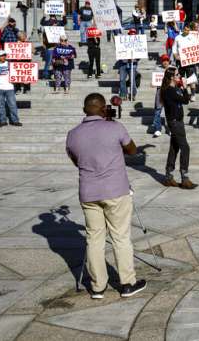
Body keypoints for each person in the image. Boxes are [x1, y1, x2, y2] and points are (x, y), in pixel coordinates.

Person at [65, 93, 147, 299]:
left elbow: (77, 161)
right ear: (103, 108)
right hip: (115, 191)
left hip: (89, 192)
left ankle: (98, 287)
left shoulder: (73, 134)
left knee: (94, 239)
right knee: (120, 237)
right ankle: (128, 283)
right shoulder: (115, 127)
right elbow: (132, 150)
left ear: (85, 110)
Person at [159, 68, 197, 189]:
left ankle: (168, 176)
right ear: (171, 77)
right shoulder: (168, 90)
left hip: (178, 121)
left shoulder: (174, 89)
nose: (179, 75)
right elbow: (185, 100)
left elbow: (186, 100)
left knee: (174, 147)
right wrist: (185, 87)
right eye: (177, 75)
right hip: (174, 122)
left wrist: (183, 88)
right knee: (185, 148)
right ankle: (184, 176)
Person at [0, 50, 21, 128]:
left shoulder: (10, 64)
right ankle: (3, 121)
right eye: (2, 55)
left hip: (10, 88)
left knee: (12, 105)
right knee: (0, 106)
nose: (4, 57)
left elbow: (18, 73)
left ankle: (15, 121)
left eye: (4, 55)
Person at [171, 25, 199, 101]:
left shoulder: (193, 37)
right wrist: (176, 56)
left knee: (191, 78)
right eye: (185, 30)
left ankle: (193, 94)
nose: (186, 31)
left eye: (188, 30)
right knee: (181, 78)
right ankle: (182, 92)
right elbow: (174, 48)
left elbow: (197, 47)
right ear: (183, 29)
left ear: (189, 30)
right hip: (180, 61)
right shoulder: (178, 38)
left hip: (190, 61)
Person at [41, 13, 68, 80]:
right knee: (48, 61)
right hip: (49, 46)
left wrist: (64, 15)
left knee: (57, 62)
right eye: (52, 15)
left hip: (57, 46)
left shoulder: (58, 22)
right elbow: (42, 23)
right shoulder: (47, 23)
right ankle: (45, 75)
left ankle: (55, 74)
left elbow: (64, 22)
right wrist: (44, 16)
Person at [151, 55, 171, 137]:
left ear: (169, 61)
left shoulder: (173, 68)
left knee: (170, 111)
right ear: (161, 61)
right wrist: (153, 83)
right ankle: (157, 129)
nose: (165, 62)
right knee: (158, 110)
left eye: (167, 60)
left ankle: (170, 129)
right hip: (160, 91)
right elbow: (155, 80)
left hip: (170, 92)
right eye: (163, 60)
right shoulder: (157, 69)